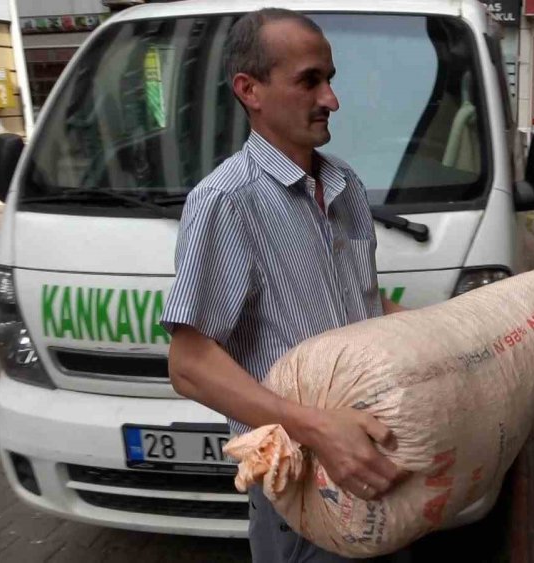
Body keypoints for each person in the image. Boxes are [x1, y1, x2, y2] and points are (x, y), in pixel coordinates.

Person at [162, 8, 406, 563]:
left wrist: (450, 329)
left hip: (374, 470)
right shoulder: (227, 201)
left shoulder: (344, 185)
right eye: (309, 81)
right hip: (302, 495)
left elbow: (364, 303)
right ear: (250, 90)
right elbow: (188, 364)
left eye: (330, 80)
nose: (331, 100)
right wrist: (319, 430)